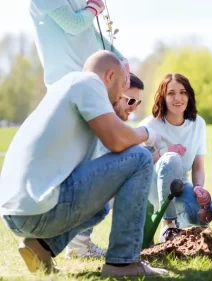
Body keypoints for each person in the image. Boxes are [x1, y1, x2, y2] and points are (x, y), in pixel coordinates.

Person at [0, 51, 168, 278]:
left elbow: (107, 166)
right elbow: (118, 142)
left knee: (100, 208)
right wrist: (147, 133)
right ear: (110, 76)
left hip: (17, 211)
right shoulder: (89, 83)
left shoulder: (67, 86)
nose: (121, 96)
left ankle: (42, 246)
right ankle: (123, 263)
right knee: (140, 157)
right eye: (121, 88)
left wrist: (117, 116)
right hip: (37, 211)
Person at [29, 0, 132, 256]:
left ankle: (67, 240)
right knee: (90, 168)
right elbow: (74, 25)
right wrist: (95, 7)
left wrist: (120, 59)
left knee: (95, 163)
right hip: (67, 84)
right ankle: (67, 240)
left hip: (88, 85)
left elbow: (90, 33)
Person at [65, 72, 145, 258]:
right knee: (119, 180)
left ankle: (79, 242)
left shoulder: (104, 122)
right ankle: (79, 245)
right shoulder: (102, 126)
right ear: (116, 94)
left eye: (137, 102)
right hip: (64, 197)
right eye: (130, 100)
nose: (133, 107)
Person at [138, 73, 212, 243]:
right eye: (171, 93)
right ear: (162, 97)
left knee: (202, 216)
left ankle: (176, 225)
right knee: (172, 158)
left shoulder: (198, 124)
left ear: (189, 96)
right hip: (151, 188)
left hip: (180, 185)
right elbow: (136, 164)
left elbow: (198, 166)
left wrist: (199, 187)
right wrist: (164, 153)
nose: (178, 98)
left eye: (183, 92)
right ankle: (168, 224)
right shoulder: (149, 125)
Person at [29, 0, 130, 87]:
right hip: (65, 83)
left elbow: (92, 34)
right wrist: (93, 8)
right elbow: (73, 25)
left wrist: (120, 59)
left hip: (89, 80)